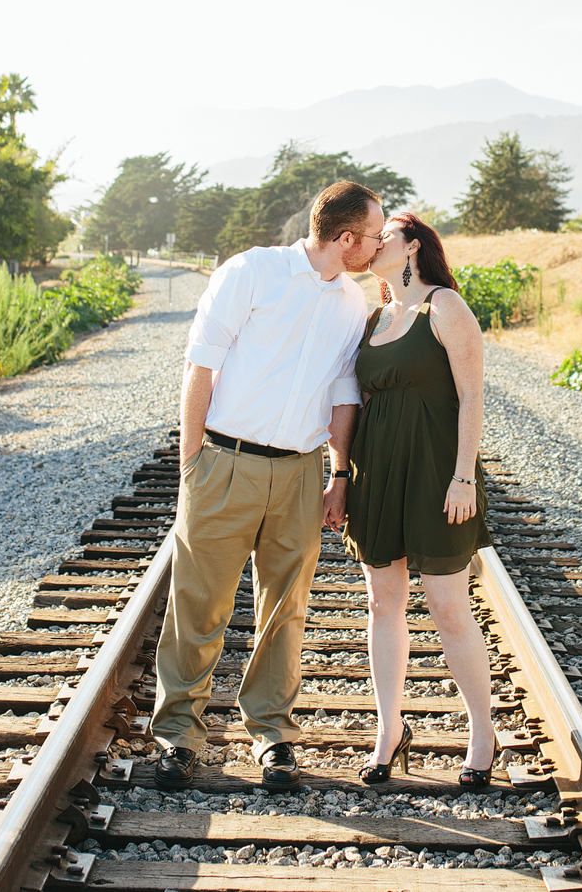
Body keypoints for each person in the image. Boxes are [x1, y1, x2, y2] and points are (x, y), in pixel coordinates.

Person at [149, 180, 386, 792]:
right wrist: (192, 461)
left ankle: (273, 736)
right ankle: (178, 737)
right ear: (345, 238)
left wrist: (338, 474)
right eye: (374, 233)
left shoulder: (350, 305)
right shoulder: (251, 273)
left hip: (301, 473)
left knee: (286, 609)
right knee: (199, 602)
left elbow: (341, 393)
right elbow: (200, 363)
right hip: (225, 461)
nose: (379, 242)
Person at [341, 211, 496, 787]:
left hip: (435, 473)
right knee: (384, 603)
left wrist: (463, 476)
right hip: (377, 472)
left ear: (411, 248)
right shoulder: (375, 315)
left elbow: (472, 394)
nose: (374, 243)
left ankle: (482, 732)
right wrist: (342, 478)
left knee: (450, 607)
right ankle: (389, 728)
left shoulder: (445, 307)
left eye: (385, 235)